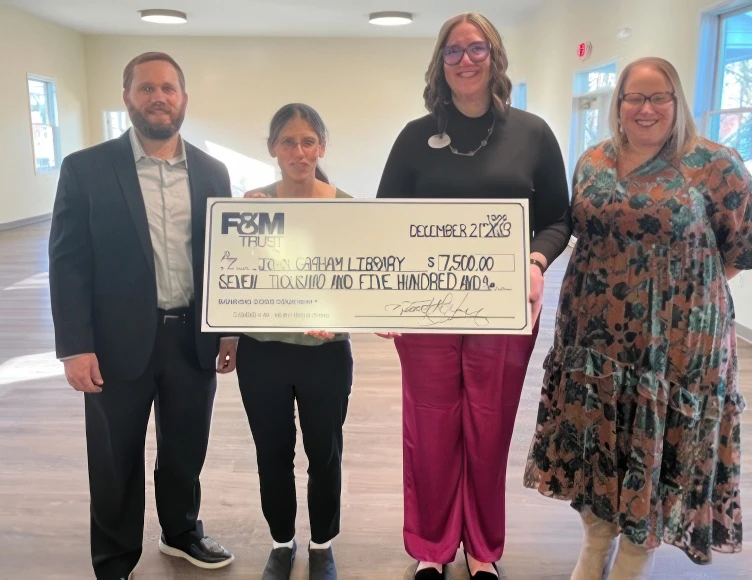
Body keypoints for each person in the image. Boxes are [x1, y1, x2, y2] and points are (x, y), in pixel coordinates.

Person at [524, 57, 752, 580]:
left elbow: (743, 250)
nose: (645, 108)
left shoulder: (714, 165)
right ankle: (594, 548)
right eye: (633, 97)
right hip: (593, 341)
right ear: (617, 104)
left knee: (657, 452)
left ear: (676, 101)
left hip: (675, 350)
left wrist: (677, 293)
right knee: (600, 446)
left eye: (658, 97)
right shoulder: (592, 160)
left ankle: (634, 561)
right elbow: (581, 231)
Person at [376, 13, 571, 580]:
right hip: (425, 308)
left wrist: (536, 260)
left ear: (495, 56)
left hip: (504, 308)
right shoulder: (415, 137)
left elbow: (558, 217)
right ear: (441, 63)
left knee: (490, 425)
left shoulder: (533, 134)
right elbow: (386, 221)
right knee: (431, 427)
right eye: (453, 51)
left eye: (476, 48)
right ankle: (431, 548)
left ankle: (483, 547)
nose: (465, 59)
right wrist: (382, 296)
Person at [48, 52, 237, 580]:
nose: (159, 97)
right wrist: (74, 344)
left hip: (191, 339)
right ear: (127, 97)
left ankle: (181, 533)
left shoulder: (212, 171)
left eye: (169, 88)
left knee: (185, 448)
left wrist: (228, 329)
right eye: (147, 88)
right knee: (115, 459)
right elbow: (67, 262)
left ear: (184, 98)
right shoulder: (86, 168)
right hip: (114, 342)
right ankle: (114, 559)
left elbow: (225, 258)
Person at [237, 103, 353, 580]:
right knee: (272, 451)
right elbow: (236, 278)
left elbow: (357, 279)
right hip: (262, 352)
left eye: (308, 142)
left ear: (321, 147)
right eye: (288, 141)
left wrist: (345, 316)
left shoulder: (346, 207)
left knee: (324, 452)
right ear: (272, 149)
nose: (299, 151)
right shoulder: (251, 206)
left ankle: (322, 544)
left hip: (324, 354)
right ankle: (282, 542)